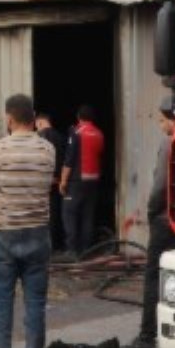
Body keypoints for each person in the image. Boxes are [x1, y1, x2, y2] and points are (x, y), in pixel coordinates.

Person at [0, 94, 57, 348]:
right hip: (38, 230)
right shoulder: (48, 149)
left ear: (9, 118)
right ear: (33, 118)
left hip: (3, 232)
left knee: (1, 300)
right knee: (35, 302)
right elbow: (48, 185)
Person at [123, 104, 175, 348]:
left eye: (162, 121)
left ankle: (148, 335)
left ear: (172, 120)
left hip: (165, 220)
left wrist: (151, 211)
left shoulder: (170, 143)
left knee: (153, 277)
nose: (161, 126)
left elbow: (161, 185)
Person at [59, 104, 105, 257]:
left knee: (69, 214)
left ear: (79, 117)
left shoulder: (76, 132)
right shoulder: (99, 133)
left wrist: (63, 181)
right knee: (88, 215)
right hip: (93, 181)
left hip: (76, 181)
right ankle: (87, 250)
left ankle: (72, 250)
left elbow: (69, 159)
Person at [35, 111, 67, 252]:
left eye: (37, 125)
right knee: (57, 213)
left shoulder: (42, 136)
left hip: (47, 181)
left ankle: (49, 246)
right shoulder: (61, 136)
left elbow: (43, 159)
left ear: (40, 122)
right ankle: (58, 244)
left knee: (46, 215)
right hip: (59, 181)